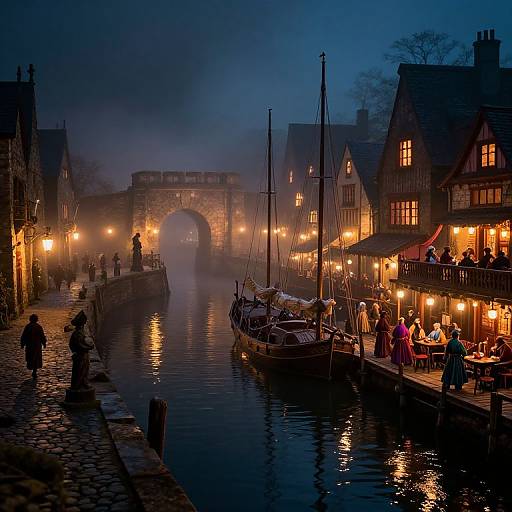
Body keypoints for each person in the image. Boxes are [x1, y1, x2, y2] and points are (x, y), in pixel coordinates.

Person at [20, 314, 47, 379]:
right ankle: (34, 371)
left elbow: (24, 336)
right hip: (37, 346)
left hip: (29, 345)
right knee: (36, 358)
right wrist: (44, 343)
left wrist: (22, 344)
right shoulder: (39, 327)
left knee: (30, 357)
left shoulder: (28, 326)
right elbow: (42, 336)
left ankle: (33, 370)